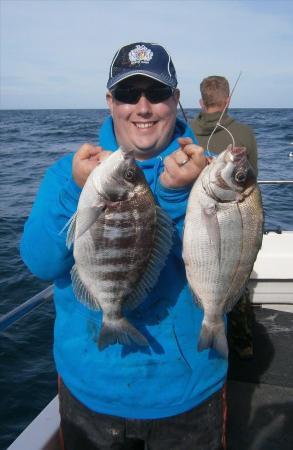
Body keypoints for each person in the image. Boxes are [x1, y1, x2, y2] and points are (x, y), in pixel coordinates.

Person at [21, 43, 227, 450]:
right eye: (129, 94)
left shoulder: (214, 174)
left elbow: (225, 264)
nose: (143, 107)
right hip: (90, 390)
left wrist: (181, 198)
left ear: (177, 99)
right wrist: (73, 191)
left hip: (188, 391)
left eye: (157, 93)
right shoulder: (69, 174)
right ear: (111, 102)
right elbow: (41, 263)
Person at [190, 75, 258, 359]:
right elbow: (251, 183)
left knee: (199, 277)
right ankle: (242, 346)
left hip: (196, 224)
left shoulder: (186, 130)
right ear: (228, 100)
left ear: (200, 102)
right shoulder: (244, 134)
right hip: (233, 220)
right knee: (236, 282)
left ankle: (203, 342)